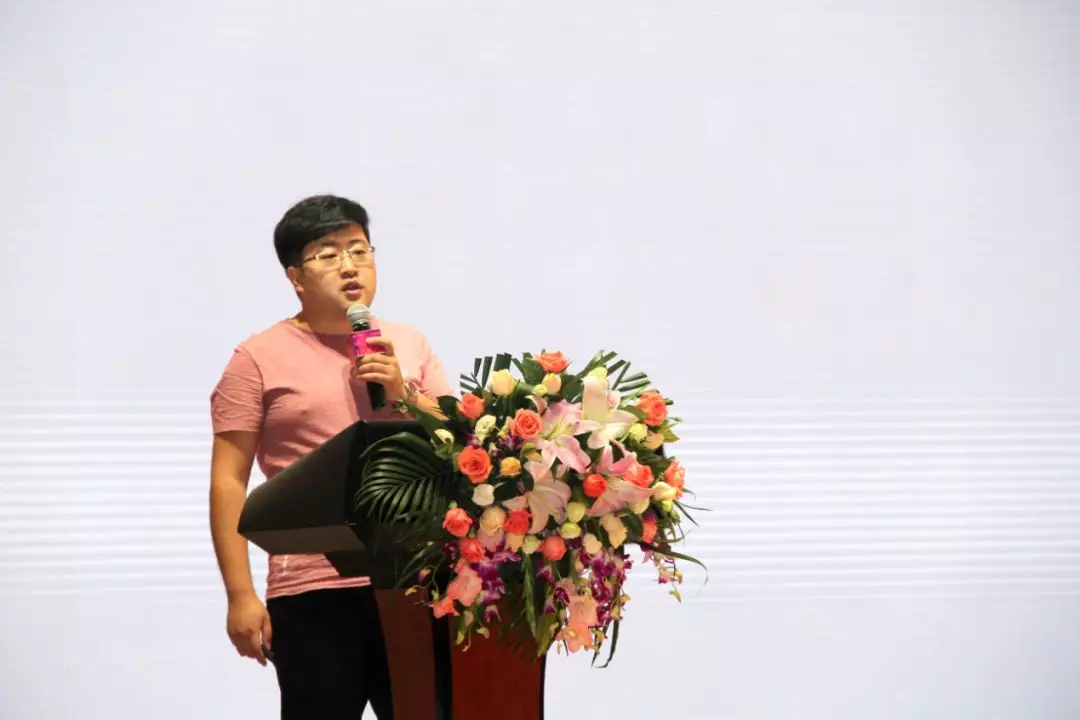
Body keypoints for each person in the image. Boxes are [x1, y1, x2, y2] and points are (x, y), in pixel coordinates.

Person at [208, 194, 453, 718]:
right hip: (310, 588)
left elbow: (457, 447)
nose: (349, 266)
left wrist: (404, 394)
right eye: (328, 253)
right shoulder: (256, 358)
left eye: (360, 250)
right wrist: (239, 594)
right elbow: (229, 479)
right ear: (296, 277)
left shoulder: (408, 344)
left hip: (413, 580)